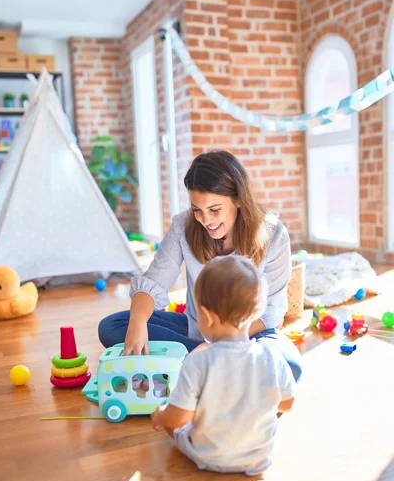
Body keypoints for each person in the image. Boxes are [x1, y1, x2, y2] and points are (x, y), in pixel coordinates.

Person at [98, 150, 301, 381]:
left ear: (238, 199)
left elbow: (271, 313)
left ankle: (198, 364)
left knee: (290, 367)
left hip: (251, 335)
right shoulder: (183, 226)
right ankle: (218, 369)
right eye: (197, 210)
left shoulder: (273, 233)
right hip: (197, 330)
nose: (206, 220)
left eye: (215, 210)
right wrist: (137, 323)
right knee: (113, 326)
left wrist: (218, 345)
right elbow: (154, 280)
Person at [151, 255, 295, 476]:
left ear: (207, 317)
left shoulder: (197, 361)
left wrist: (161, 415)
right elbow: (287, 404)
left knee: (173, 423)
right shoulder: (271, 355)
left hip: (207, 455)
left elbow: (179, 418)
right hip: (259, 456)